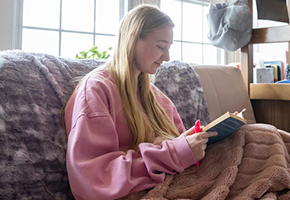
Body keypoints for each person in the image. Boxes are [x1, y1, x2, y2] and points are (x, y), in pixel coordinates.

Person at [60, 5, 217, 200]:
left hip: (179, 180)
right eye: (161, 46)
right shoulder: (96, 90)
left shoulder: (157, 98)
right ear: (133, 38)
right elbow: (94, 177)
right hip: (140, 191)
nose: (167, 58)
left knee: (254, 136)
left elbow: (178, 151)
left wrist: (190, 143)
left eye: (169, 48)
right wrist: (176, 152)